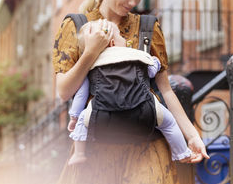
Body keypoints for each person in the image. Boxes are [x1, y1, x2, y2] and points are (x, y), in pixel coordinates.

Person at [53, 0, 208, 184]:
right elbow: (64, 91)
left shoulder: (147, 27)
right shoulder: (78, 26)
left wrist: (192, 135)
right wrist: (92, 52)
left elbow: (165, 90)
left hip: (147, 146)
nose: (133, 2)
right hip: (96, 150)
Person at [67, 21, 193, 165]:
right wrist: (156, 61)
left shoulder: (90, 66)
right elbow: (152, 72)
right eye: (121, 35)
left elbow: (81, 95)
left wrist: (74, 117)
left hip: (102, 114)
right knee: (169, 123)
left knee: (83, 122)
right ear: (113, 43)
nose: (125, 39)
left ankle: (79, 154)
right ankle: (181, 152)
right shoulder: (137, 55)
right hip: (144, 110)